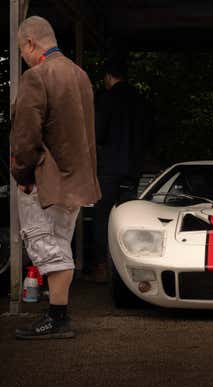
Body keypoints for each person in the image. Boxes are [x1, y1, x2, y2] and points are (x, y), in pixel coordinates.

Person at [10, 16, 101, 339]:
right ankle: (58, 315)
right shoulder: (80, 75)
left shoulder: (38, 77)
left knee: (45, 243)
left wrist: (22, 173)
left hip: (45, 179)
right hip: (76, 178)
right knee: (59, 242)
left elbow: (25, 136)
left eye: (21, 49)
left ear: (31, 43)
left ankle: (58, 318)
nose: (23, 56)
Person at [87, 55, 154, 283]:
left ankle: (102, 266)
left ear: (108, 76)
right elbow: (148, 134)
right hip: (133, 167)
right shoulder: (140, 99)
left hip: (109, 168)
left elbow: (99, 133)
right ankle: (128, 268)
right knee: (129, 218)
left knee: (102, 217)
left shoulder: (106, 100)